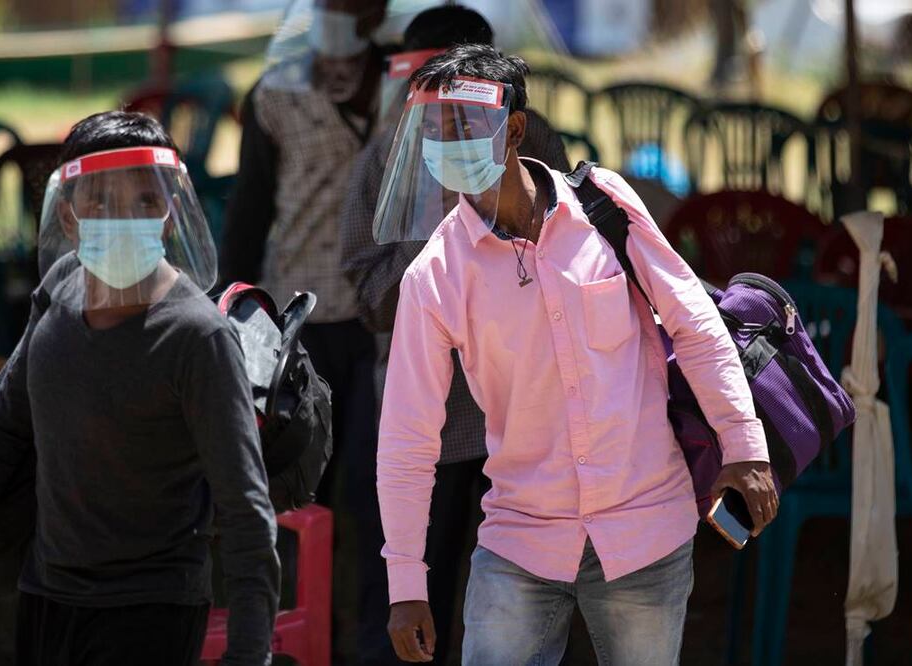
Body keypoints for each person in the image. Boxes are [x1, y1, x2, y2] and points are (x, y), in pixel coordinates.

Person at [375, 45, 778, 665]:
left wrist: (744, 445)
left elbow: (694, 324)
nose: (447, 140)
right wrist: (405, 584)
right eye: (436, 127)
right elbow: (407, 439)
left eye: (464, 123)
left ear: (512, 128)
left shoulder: (605, 207)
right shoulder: (433, 277)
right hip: (520, 544)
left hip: (645, 529)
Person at [0, 111, 280, 666]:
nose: (122, 217)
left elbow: (246, 511)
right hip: (46, 593)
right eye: (100, 200)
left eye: (145, 201)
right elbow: (0, 426)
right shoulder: (58, 289)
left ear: (171, 216)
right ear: (68, 215)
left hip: (151, 608)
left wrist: (249, 654)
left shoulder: (198, 338)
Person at [338, 6, 571, 664]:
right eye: (430, 89)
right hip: (429, 415)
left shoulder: (537, 143)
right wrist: (437, 273)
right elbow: (362, 282)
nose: (449, 118)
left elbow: (570, 250)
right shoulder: (386, 151)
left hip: (524, 409)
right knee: (414, 582)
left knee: (523, 583)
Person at [219, 1, 393, 662]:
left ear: (376, 11)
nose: (337, 13)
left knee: (378, 496)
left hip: (379, 324)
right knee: (291, 494)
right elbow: (250, 206)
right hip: (293, 325)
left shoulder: (403, 84)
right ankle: (286, 638)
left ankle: (372, 642)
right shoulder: (276, 94)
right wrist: (233, 314)